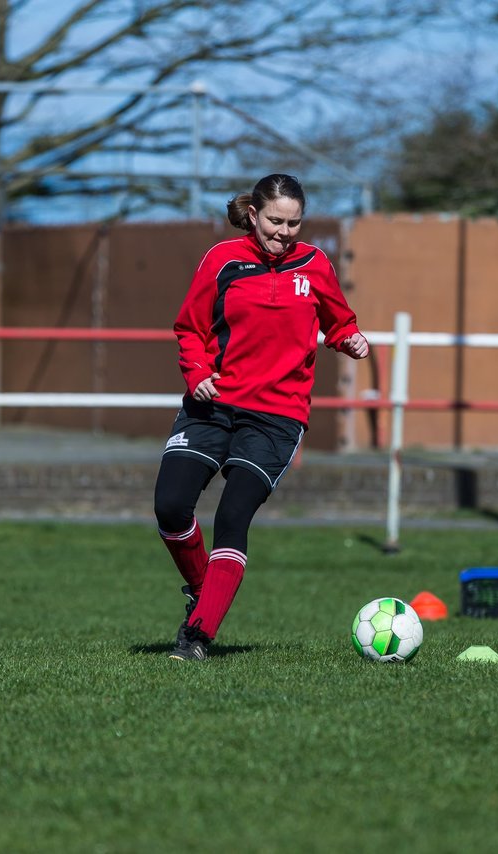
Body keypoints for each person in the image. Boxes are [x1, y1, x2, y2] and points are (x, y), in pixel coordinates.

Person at [154, 173, 370, 661]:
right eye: (276, 220)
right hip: (212, 404)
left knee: (233, 515)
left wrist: (351, 339)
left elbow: (339, 321)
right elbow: (189, 328)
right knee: (170, 507)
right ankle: (201, 587)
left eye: (294, 223)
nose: (285, 231)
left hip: (275, 416)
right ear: (254, 215)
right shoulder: (222, 260)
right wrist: (198, 373)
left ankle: (197, 637)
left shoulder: (315, 265)